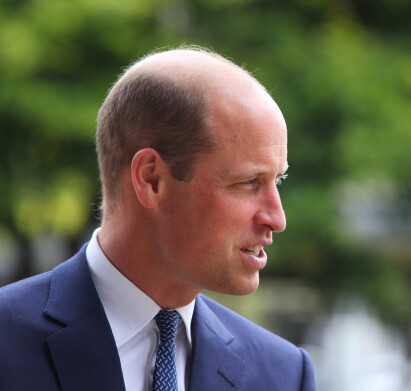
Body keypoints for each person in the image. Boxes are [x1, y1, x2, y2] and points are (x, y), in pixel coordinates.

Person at [0, 46, 316, 391]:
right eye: (247, 182)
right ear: (151, 179)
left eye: (277, 180)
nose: (277, 217)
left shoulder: (283, 374)